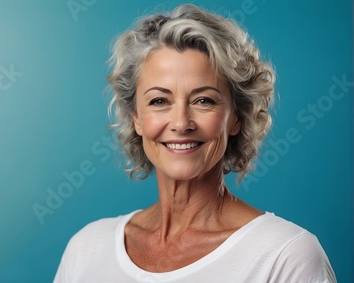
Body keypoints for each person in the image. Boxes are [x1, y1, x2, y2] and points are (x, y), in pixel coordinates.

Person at [54, 3, 336, 282]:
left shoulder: (286, 256)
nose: (181, 122)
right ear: (136, 119)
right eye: (159, 101)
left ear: (237, 117)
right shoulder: (87, 249)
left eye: (204, 100)